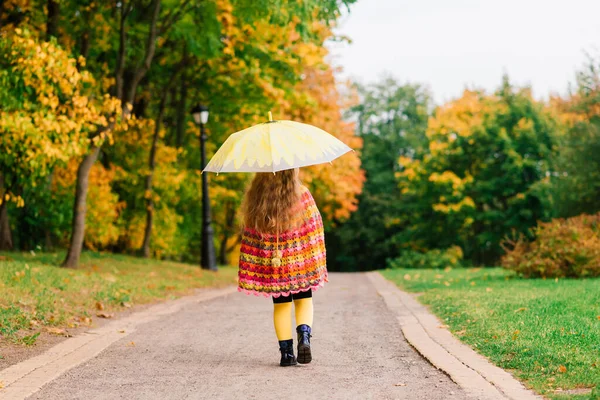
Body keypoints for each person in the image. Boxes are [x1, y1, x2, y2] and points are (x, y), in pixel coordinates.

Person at [238, 168, 328, 366]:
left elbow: (251, 234)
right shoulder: (302, 194)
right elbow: (315, 226)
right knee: (304, 301)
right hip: (300, 263)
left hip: (275, 265)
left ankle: (286, 354)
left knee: (281, 306)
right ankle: (304, 337)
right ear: (291, 173)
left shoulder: (258, 199)